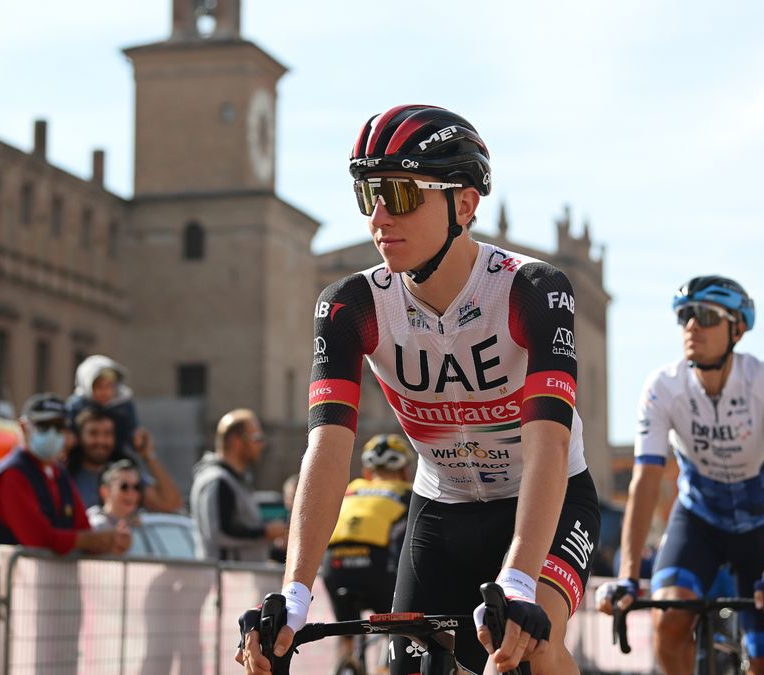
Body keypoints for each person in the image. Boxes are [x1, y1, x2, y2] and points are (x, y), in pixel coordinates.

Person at [237, 104, 600, 675]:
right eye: (368, 195)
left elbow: (548, 444)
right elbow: (328, 449)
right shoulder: (351, 305)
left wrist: (521, 579)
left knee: (529, 648)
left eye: (401, 194)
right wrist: (296, 592)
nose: (379, 215)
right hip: (440, 506)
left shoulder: (532, 289)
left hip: (546, 501)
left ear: (464, 203)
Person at [598, 276, 764, 675]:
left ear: (737, 329)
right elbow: (645, 484)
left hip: (763, 528)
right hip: (699, 522)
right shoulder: (663, 387)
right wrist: (627, 577)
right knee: (670, 618)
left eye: (707, 316)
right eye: (686, 316)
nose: (692, 326)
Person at [0, 393, 129, 555]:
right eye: (44, 426)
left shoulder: (58, 472)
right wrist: (91, 540)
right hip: (18, 578)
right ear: (23, 427)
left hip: (56, 579)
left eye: (59, 426)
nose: (52, 433)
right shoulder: (12, 474)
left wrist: (111, 541)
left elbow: (82, 527)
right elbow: (38, 539)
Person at [320, 434, 415, 667]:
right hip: (376, 567)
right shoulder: (407, 492)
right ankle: (386, 667)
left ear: (367, 470)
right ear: (404, 470)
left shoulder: (352, 489)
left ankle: (347, 660)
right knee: (396, 629)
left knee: (346, 630)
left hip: (334, 566)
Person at [191, 408, 287, 562]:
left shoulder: (236, 479)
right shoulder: (218, 479)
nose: (261, 445)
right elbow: (221, 533)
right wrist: (265, 532)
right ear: (236, 440)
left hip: (235, 579)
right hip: (225, 580)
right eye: (256, 438)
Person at [67, 407, 181, 513]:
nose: (101, 441)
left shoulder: (126, 474)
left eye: (107, 434)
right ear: (78, 437)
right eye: (93, 433)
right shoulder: (66, 476)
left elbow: (170, 504)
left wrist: (149, 456)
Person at [67, 354, 144, 458]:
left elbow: (132, 430)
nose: (104, 392)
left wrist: (136, 439)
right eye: (99, 386)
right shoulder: (77, 405)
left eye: (109, 386)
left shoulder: (123, 404)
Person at [87, 458, 143, 536]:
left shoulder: (142, 523)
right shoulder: (96, 526)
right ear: (105, 491)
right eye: (124, 487)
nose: (131, 493)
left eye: (137, 487)